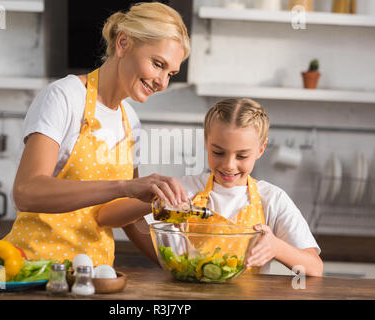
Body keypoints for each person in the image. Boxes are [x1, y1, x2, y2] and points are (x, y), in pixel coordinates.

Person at [3, 2, 190, 266]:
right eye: (158, 64)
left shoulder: (130, 122)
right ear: (124, 43)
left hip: (93, 278)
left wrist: (157, 206)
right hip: (37, 271)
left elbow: (109, 215)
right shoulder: (64, 96)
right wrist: (126, 187)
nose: (162, 82)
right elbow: (27, 192)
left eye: (170, 73)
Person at [97, 98, 323, 276]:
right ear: (206, 142)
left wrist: (277, 248)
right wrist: (151, 202)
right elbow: (107, 216)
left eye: (242, 155)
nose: (228, 165)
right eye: (218, 152)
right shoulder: (184, 189)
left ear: (261, 149)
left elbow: (314, 267)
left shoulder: (272, 199)